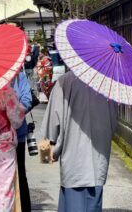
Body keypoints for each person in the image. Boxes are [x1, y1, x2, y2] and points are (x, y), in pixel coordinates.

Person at [40, 71, 118, 212]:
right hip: (97, 159)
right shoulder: (107, 83)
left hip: (73, 159)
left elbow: (53, 123)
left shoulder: (65, 82)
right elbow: (113, 124)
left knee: (71, 204)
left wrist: (51, 152)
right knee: (93, 204)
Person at [11, 71, 33, 211]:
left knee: (20, 173)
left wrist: (11, 113)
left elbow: (27, 99)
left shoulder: (20, 76)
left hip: (17, 134)